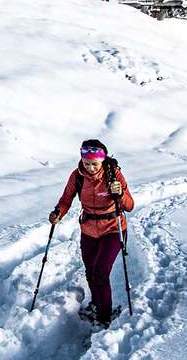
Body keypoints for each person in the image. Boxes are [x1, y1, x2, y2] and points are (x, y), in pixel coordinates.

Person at [49, 138, 134, 326]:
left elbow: (129, 205)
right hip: (88, 230)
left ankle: (104, 316)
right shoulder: (77, 176)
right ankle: (96, 304)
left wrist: (119, 194)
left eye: (94, 164)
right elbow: (65, 200)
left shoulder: (114, 176)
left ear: (102, 160)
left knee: (101, 272)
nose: (90, 168)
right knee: (90, 271)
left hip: (113, 229)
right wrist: (58, 213)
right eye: (87, 163)